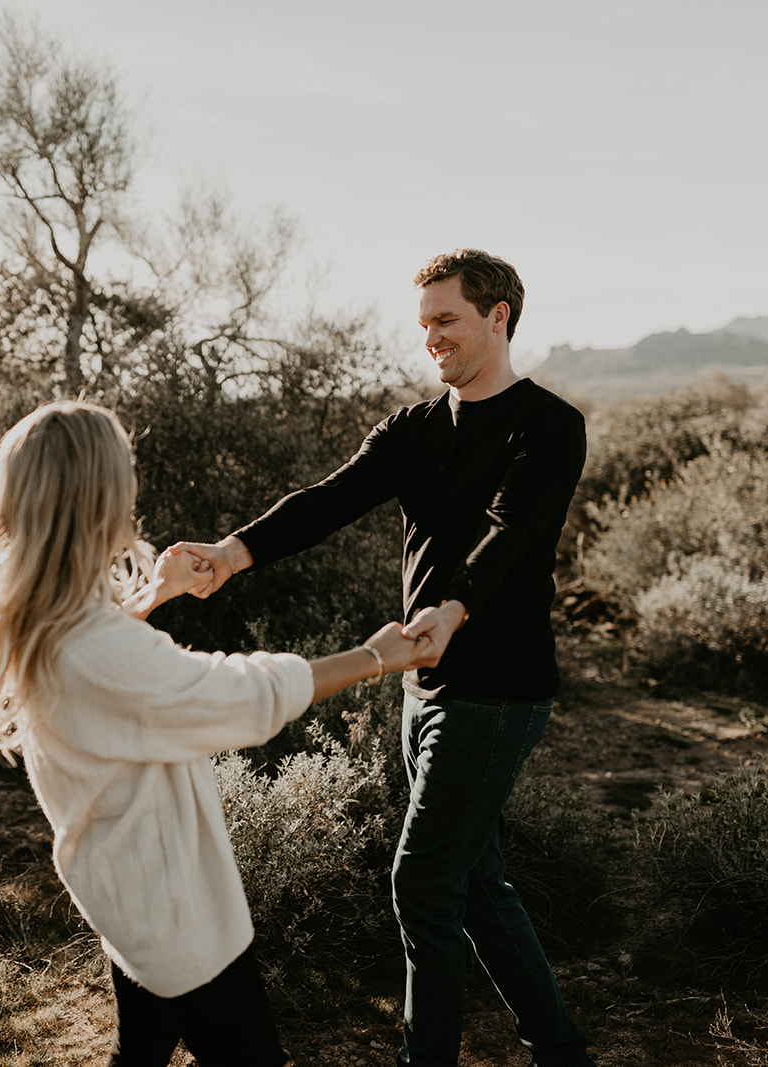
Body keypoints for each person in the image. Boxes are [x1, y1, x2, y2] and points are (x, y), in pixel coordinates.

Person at [173, 250, 596, 1067]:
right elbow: (329, 499)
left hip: (498, 689)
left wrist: (455, 605)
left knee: (425, 885)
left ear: (498, 315)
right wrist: (231, 553)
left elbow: (513, 528)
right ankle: (560, 1049)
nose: (430, 337)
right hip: (423, 684)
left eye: (447, 320)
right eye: (423, 323)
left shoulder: (548, 425)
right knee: (474, 883)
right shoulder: (412, 429)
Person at [0, 400, 431, 1067]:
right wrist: (376, 657)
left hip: (123, 889)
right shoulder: (93, 645)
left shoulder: (50, 619)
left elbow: (104, 663)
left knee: (141, 1053)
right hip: (177, 913)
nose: (132, 491)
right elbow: (246, 694)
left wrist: (152, 595)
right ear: (96, 498)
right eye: (123, 475)